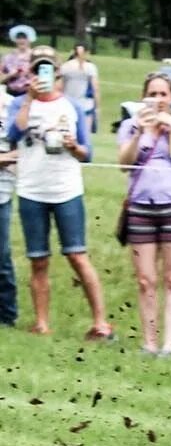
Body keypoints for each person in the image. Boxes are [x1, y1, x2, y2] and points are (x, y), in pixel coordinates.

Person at [7, 46, 113, 340]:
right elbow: (14, 134)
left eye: (47, 69)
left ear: (56, 73)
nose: (42, 75)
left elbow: (86, 152)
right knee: (38, 259)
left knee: (77, 255)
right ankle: (41, 322)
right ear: (29, 74)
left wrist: (73, 146)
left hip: (66, 189)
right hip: (32, 189)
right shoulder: (19, 104)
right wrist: (29, 100)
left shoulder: (72, 106)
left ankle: (101, 322)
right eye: (36, 69)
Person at [117, 72, 171, 356]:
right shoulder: (131, 125)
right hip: (141, 206)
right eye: (152, 93)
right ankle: (149, 342)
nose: (157, 99)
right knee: (145, 279)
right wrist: (141, 131)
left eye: (163, 94)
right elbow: (124, 164)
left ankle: (170, 344)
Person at [0, 85, 17, 327]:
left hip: (2, 191)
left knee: (1, 256)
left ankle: (6, 314)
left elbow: (20, 149)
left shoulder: (11, 104)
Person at [59, 42, 101, 134]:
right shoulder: (90, 67)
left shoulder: (65, 66)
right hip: (85, 104)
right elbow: (95, 88)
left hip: (68, 103)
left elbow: (60, 87)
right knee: (85, 134)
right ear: (87, 52)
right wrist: (97, 107)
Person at [1, 24, 36, 97]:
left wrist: (29, 74)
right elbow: (1, 79)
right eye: (19, 37)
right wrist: (10, 75)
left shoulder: (35, 56)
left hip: (29, 94)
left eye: (24, 37)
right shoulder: (8, 57)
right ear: (15, 39)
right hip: (10, 94)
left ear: (30, 39)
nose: (21, 40)